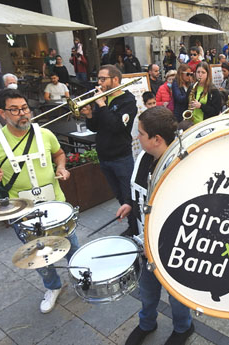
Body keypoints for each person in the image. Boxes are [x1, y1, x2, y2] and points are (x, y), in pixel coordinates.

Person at [0, 89, 78, 314]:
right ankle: (52, 287)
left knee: (71, 242)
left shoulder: (44, 133)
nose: (22, 114)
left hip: (56, 204)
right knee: (37, 253)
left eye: (24, 108)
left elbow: (59, 154)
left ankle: (81, 274)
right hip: (22, 211)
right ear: (2, 113)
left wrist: (62, 168)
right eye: (14, 110)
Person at [116, 107, 194, 345]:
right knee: (147, 291)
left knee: (177, 295)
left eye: (140, 133)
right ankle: (147, 323)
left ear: (157, 139)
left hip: (173, 249)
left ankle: (184, 328)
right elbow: (140, 189)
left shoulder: (181, 167)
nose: (136, 137)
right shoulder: (144, 156)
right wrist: (130, 204)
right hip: (145, 245)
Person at [81, 65, 138, 236]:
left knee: (129, 196)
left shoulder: (128, 102)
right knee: (120, 196)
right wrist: (90, 115)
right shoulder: (103, 99)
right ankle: (132, 224)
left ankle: (136, 228)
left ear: (115, 80)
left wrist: (102, 106)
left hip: (121, 157)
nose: (99, 82)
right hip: (105, 156)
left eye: (102, 79)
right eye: (99, 78)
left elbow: (117, 126)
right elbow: (96, 127)